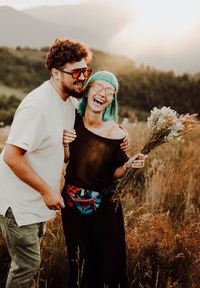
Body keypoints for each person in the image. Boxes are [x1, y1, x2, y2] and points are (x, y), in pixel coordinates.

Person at [0, 38, 94, 288]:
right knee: (27, 265)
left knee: (30, 265)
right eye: (76, 72)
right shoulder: (37, 106)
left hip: (38, 201)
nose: (82, 77)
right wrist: (46, 190)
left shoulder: (68, 102)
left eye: (85, 70)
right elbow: (11, 156)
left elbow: (60, 153)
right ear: (55, 73)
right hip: (19, 204)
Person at [61, 71, 146, 288]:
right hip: (72, 206)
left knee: (107, 262)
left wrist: (128, 165)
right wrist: (64, 143)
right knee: (78, 262)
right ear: (88, 90)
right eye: (98, 87)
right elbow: (65, 159)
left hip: (105, 209)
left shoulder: (116, 133)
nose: (103, 94)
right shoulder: (71, 121)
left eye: (110, 92)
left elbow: (114, 173)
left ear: (112, 99)